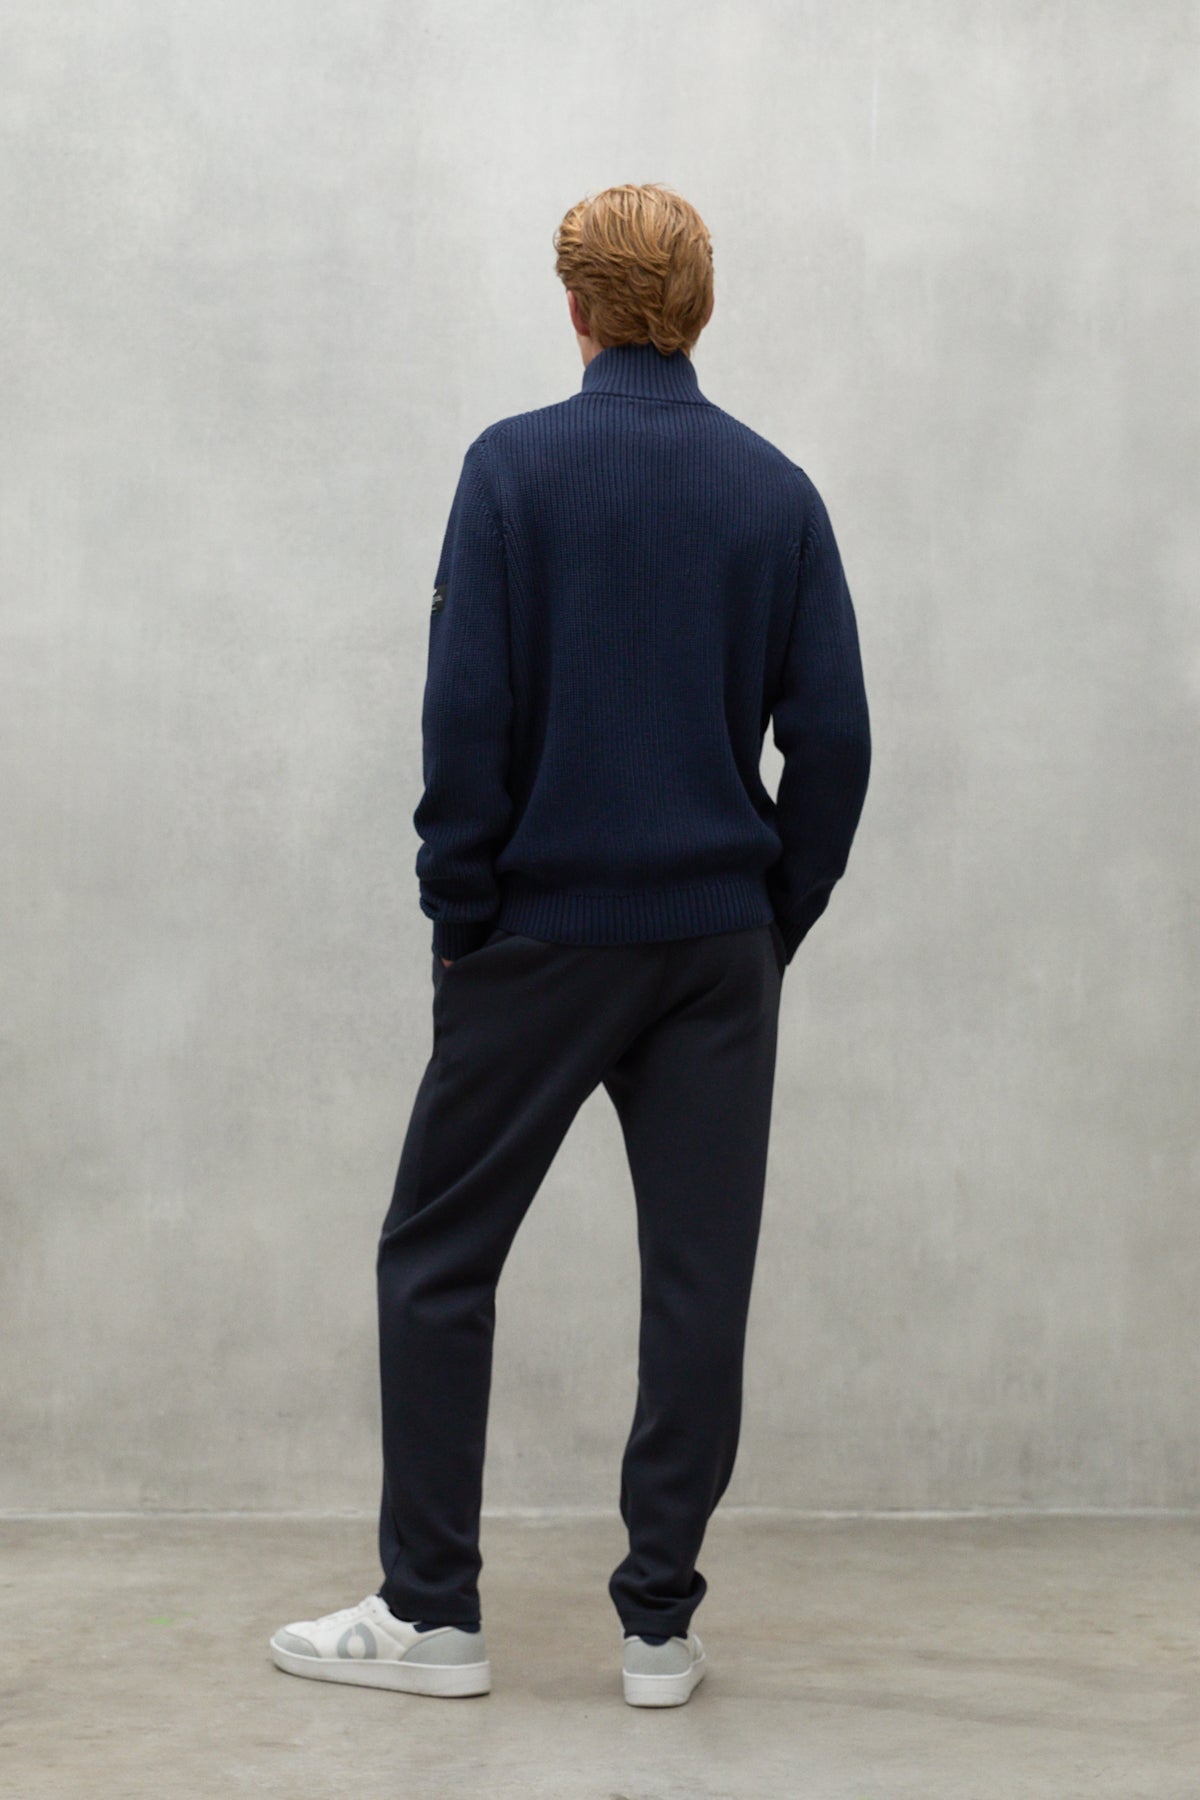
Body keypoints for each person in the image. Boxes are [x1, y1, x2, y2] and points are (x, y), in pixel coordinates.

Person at [270, 181, 871, 1708]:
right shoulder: (776, 491)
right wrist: (771, 921)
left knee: (437, 1259)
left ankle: (433, 1616)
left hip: (538, 935)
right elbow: (838, 743)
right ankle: (659, 1630)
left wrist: (460, 917)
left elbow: (465, 718)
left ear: (578, 307)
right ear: (699, 307)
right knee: (698, 1286)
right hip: (715, 946)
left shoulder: (512, 470)